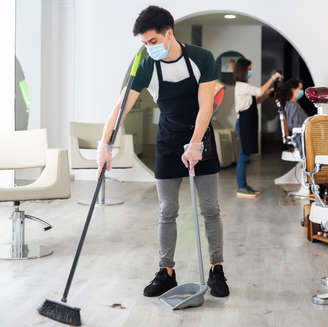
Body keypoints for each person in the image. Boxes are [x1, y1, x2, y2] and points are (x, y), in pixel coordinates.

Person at [96, 5, 229, 298]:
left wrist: (195, 144)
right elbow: (121, 106)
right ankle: (166, 271)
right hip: (168, 142)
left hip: (200, 139)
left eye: (153, 41)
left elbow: (206, 105)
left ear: (169, 33)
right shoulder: (146, 65)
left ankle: (216, 269)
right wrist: (104, 145)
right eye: (144, 43)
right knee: (167, 210)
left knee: (210, 209)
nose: (148, 48)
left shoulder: (201, 58)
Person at [234, 58, 281, 199]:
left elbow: (257, 99)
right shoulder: (241, 86)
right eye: (249, 69)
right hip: (243, 124)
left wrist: (269, 93)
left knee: (246, 155)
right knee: (243, 156)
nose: (250, 71)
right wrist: (272, 78)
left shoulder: (244, 87)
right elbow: (260, 91)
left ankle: (244, 185)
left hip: (247, 124)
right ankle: (241, 187)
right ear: (243, 70)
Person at [276, 78, 308, 150]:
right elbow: (292, 125)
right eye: (300, 89)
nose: (301, 91)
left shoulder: (292, 104)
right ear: (293, 90)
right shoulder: (292, 105)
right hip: (301, 138)